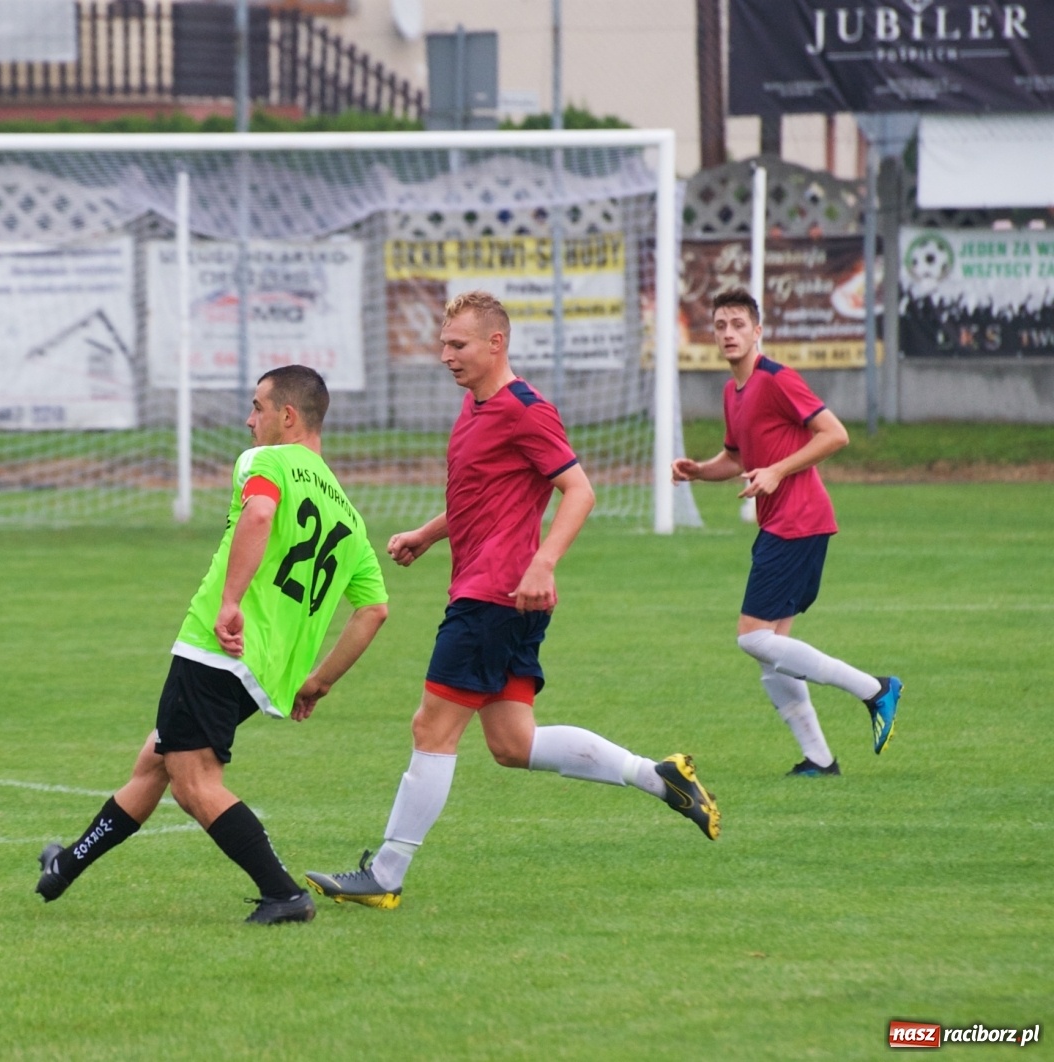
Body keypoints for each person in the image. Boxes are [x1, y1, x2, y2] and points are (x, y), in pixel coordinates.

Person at [304, 291, 719, 912]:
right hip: (500, 593)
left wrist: (543, 562)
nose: (446, 356)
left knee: (431, 728)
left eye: (458, 345)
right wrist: (428, 532)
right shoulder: (476, 407)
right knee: (512, 743)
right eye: (444, 344)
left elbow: (578, 491)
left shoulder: (526, 409)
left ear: (496, 344)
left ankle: (387, 872)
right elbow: (485, 491)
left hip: (495, 594)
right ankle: (655, 776)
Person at [34, 365, 390, 925]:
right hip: (266, 670)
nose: (250, 421)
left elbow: (262, 511)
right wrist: (319, 681)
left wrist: (230, 601)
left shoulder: (266, 462)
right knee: (158, 757)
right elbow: (374, 610)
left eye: (257, 407)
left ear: (288, 416)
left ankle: (283, 894)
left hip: (218, 644)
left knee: (194, 780)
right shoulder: (348, 513)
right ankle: (65, 868)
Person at [671, 286, 901, 776]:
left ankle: (876, 689)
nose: (729, 333)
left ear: (758, 331)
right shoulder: (732, 393)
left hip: (800, 522)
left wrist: (777, 471)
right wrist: (697, 470)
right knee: (772, 655)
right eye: (720, 325)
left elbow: (835, 434)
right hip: (783, 524)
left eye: (739, 325)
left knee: (752, 638)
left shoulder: (777, 379)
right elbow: (735, 458)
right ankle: (819, 759)